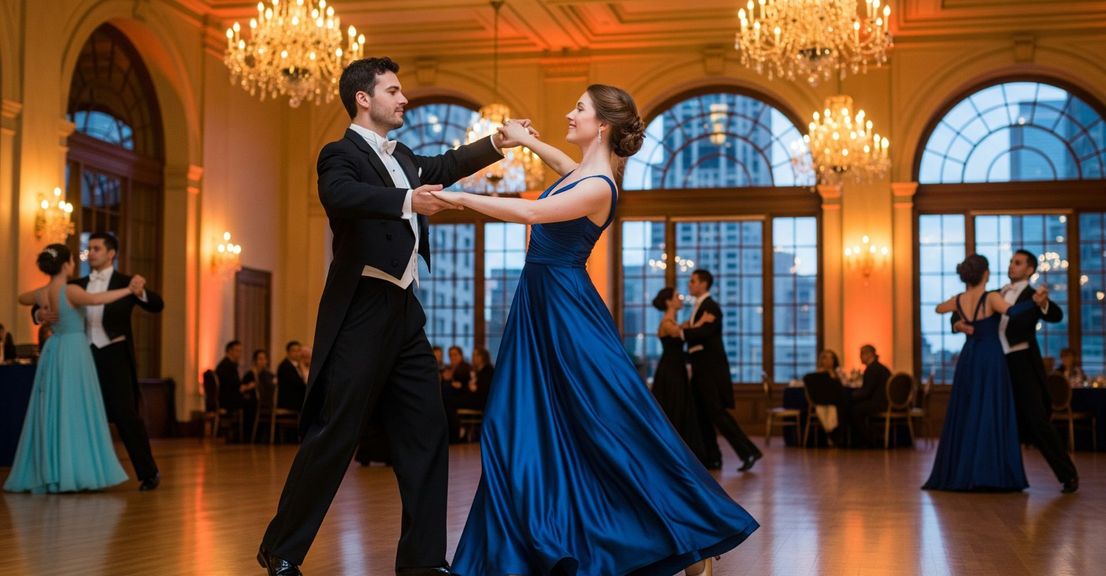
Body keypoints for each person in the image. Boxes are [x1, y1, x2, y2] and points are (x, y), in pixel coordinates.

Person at [435, 85, 757, 576]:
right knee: (530, 424)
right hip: (542, 306)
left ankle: (692, 532)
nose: (569, 112)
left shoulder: (600, 186)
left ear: (601, 125)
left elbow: (531, 212)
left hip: (564, 312)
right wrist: (526, 142)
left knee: (613, 424)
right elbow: (562, 167)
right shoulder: (583, 173)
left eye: (579, 108)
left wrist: (457, 198)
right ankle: (528, 544)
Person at [258, 56, 529, 576]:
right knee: (336, 433)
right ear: (364, 98)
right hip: (361, 308)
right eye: (394, 91)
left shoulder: (402, 154)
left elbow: (443, 166)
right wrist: (408, 200)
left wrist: (498, 143)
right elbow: (340, 196)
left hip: (406, 312)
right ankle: (282, 548)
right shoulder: (338, 155)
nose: (403, 99)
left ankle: (424, 561)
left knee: (428, 430)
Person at [32, 232, 164, 491]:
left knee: (126, 415)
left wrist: (142, 292)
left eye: (96, 248)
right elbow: (38, 302)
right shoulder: (76, 284)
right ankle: (80, 475)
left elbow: (157, 305)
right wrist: (39, 313)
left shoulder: (128, 283)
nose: (90, 253)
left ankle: (148, 472)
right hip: (82, 356)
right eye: (88, 249)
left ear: (111, 253)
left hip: (114, 357)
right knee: (80, 414)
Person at [5, 244, 138, 493]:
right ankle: (73, 471)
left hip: (54, 350)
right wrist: (127, 290)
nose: (75, 264)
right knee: (75, 407)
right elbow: (98, 299)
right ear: (66, 264)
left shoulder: (43, 292)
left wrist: (41, 314)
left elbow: (21, 298)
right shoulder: (71, 290)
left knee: (53, 408)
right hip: (75, 350)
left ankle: (53, 470)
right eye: (73, 261)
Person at [952, 249, 1079, 493]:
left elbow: (1056, 314)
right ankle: (991, 476)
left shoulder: (1034, 296)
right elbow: (962, 308)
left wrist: (1043, 303)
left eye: (1018, 263)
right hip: (995, 364)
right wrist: (957, 325)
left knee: (1036, 420)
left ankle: (1068, 474)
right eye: (1011, 262)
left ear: (1029, 270)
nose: (1012, 266)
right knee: (994, 418)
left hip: (1021, 364)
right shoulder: (995, 294)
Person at [924, 254, 1047, 492]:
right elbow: (1011, 312)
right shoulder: (991, 297)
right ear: (985, 274)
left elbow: (940, 308)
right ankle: (988, 471)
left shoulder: (959, 298)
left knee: (968, 409)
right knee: (990, 408)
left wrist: (959, 322)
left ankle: (962, 469)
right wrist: (1034, 301)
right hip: (990, 357)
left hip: (969, 356)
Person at [684, 268, 764, 472]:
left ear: (703, 284)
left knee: (718, 414)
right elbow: (697, 335)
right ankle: (713, 458)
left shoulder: (711, 306)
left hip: (710, 371)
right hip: (700, 370)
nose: (689, 284)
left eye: (693, 281)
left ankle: (749, 451)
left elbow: (702, 334)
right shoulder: (699, 307)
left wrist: (683, 331)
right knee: (703, 415)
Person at [650, 287, 710, 463]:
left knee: (679, 405)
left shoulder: (672, 321)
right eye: (677, 296)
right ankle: (671, 452)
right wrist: (701, 322)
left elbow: (683, 328)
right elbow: (680, 334)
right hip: (670, 371)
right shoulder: (667, 323)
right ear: (669, 302)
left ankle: (679, 453)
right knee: (673, 407)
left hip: (677, 369)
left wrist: (693, 324)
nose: (680, 299)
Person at [849, 345, 892, 448]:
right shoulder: (881, 368)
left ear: (869, 354)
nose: (860, 357)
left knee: (854, 410)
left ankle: (867, 440)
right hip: (886, 402)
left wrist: (850, 396)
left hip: (880, 404)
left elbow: (866, 392)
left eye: (862, 354)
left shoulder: (872, 369)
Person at [242, 349, 275, 440]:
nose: (263, 361)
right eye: (260, 359)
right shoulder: (250, 374)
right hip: (254, 402)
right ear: (255, 361)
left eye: (264, 359)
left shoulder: (267, 374)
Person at [276, 341, 307, 411]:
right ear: (288, 352)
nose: (297, 353)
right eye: (294, 351)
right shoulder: (286, 366)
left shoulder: (294, 365)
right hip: (289, 401)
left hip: (294, 398)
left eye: (299, 350)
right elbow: (298, 384)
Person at [464, 347, 494, 412]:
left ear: (483, 357)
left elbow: (485, 388)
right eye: (473, 355)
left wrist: (474, 387)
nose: (473, 358)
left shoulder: (488, 370)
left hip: (482, 401)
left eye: (476, 355)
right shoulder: (478, 370)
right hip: (476, 398)